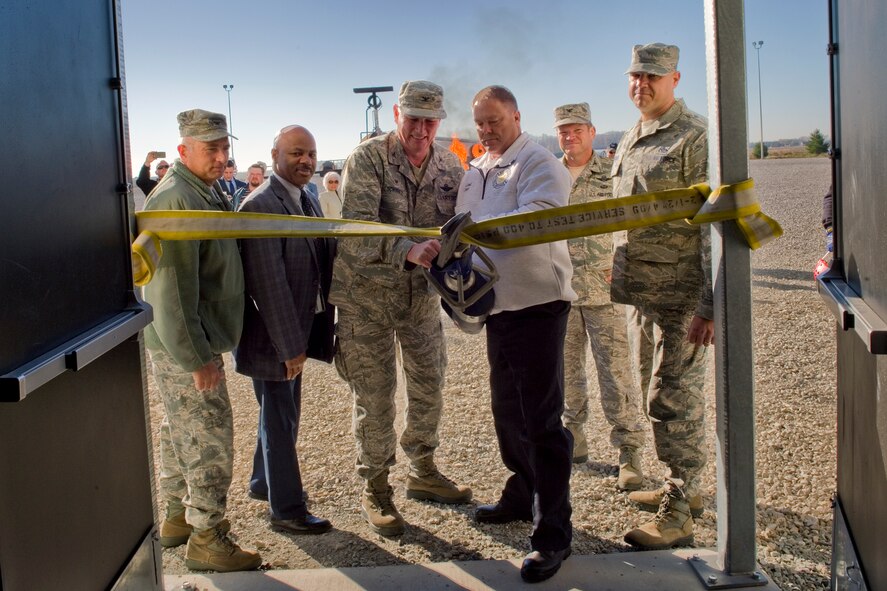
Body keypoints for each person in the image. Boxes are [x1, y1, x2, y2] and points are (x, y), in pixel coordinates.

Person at [329, 80, 470, 537]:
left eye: (430, 121)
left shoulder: (449, 164)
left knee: (430, 384)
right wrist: (406, 249)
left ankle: (423, 470)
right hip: (366, 299)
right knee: (375, 396)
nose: (421, 130)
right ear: (396, 115)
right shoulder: (368, 158)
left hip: (420, 299)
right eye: (413, 119)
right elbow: (354, 230)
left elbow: (458, 228)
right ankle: (376, 487)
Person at [457, 86, 575, 584]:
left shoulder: (539, 163)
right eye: (480, 123)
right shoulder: (476, 170)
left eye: (495, 121)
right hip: (497, 307)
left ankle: (553, 533)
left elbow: (536, 223)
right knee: (507, 411)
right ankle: (521, 492)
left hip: (538, 306)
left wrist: (469, 230)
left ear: (516, 117)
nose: (487, 131)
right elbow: (459, 229)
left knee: (542, 420)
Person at [141, 109, 261, 572]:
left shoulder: (201, 189)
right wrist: (197, 359)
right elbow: (170, 292)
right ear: (183, 150)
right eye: (211, 148)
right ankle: (208, 538)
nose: (221, 156)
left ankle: (178, 518)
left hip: (191, 340)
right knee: (209, 436)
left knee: (179, 430)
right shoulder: (176, 198)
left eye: (224, 147)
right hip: (188, 345)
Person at [610, 43, 713, 550]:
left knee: (674, 400)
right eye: (635, 75)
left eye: (652, 75)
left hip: (683, 298)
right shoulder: (633, 135)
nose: (642, 84)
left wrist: (710, 304)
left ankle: (680, 509)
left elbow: (717, 222)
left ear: (675, 78)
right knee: (654, 396)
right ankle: (684, 489)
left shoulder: (695, 136)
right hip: (644, 295)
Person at [234, 125, 334, 536]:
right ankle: (288, 510)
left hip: (294, 330)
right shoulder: (261, 205)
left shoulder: (305, 197)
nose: (306, 161)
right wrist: (290, 348)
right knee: (280, 420)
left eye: (310, 153)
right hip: (273, 338)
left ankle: (264, 483)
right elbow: (268, 285)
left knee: (278, 413)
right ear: (275, 154)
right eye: (296, 153)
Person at [553, 102, 647, 488]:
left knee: (616, 374)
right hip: (560, 291)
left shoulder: (612, 173)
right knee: (565, 372)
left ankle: (629, 451)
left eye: (577, 130)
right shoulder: (549, 176)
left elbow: (633, 222)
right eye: (563, 131)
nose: (570, 137)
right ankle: (573, 440)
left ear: (592, 132)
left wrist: (625, 263)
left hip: (604, 291)